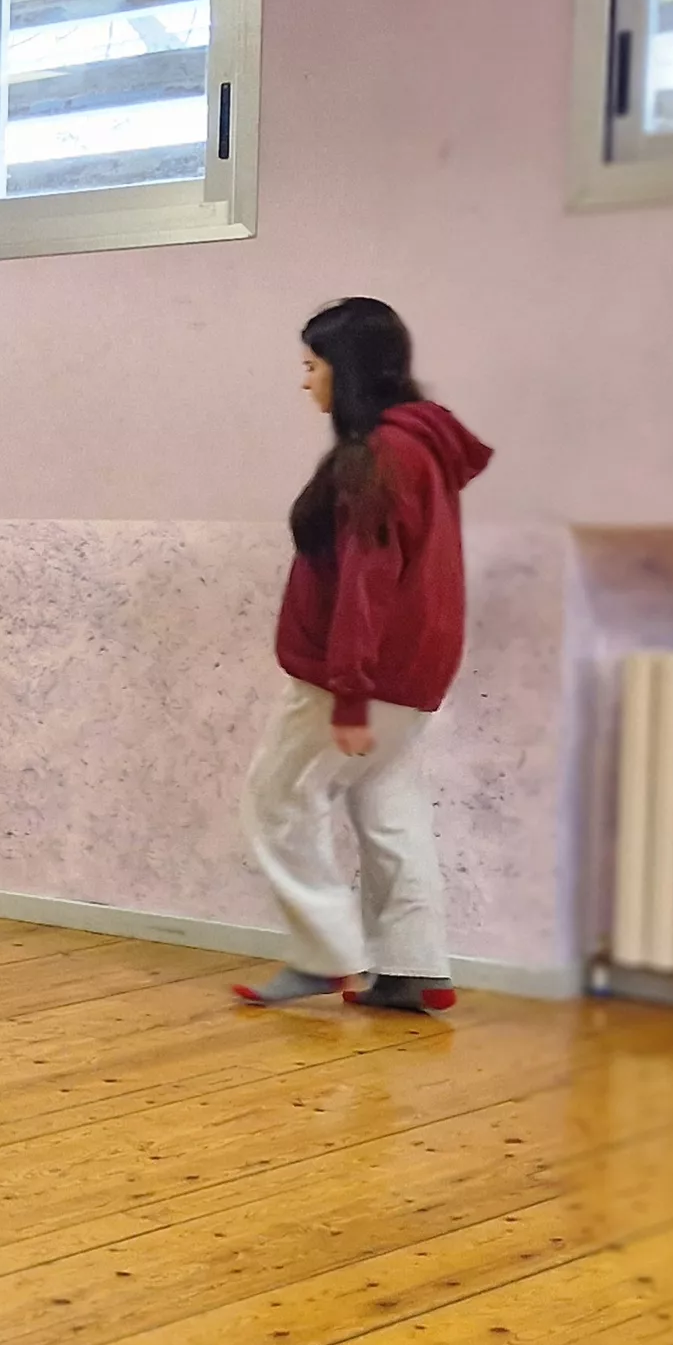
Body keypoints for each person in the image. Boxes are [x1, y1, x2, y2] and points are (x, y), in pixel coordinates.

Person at [236, 299, 491, 1016]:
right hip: (414, 674)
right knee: (389, 809)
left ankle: (325, 957)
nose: (304, 381)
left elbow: (365, 582)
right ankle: (415, 969)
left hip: (358, 675)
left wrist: (348, 693)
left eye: (311, 366)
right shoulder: (425, 447)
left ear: (343, 372)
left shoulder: (379, 457)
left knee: (279, 798)